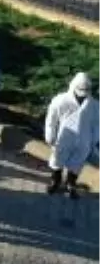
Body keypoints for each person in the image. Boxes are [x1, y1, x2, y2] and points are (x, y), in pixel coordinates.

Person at [44, 72, 99, 200]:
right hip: (64, 136)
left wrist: (94, 139)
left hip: (84, 139)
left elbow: (97, 124)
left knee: (77, 163)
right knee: (57, 160)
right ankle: (55, 182)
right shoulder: (61, 100)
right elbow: (51, 119)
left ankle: (71, 184)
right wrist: (50, 135)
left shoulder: (94, 105)